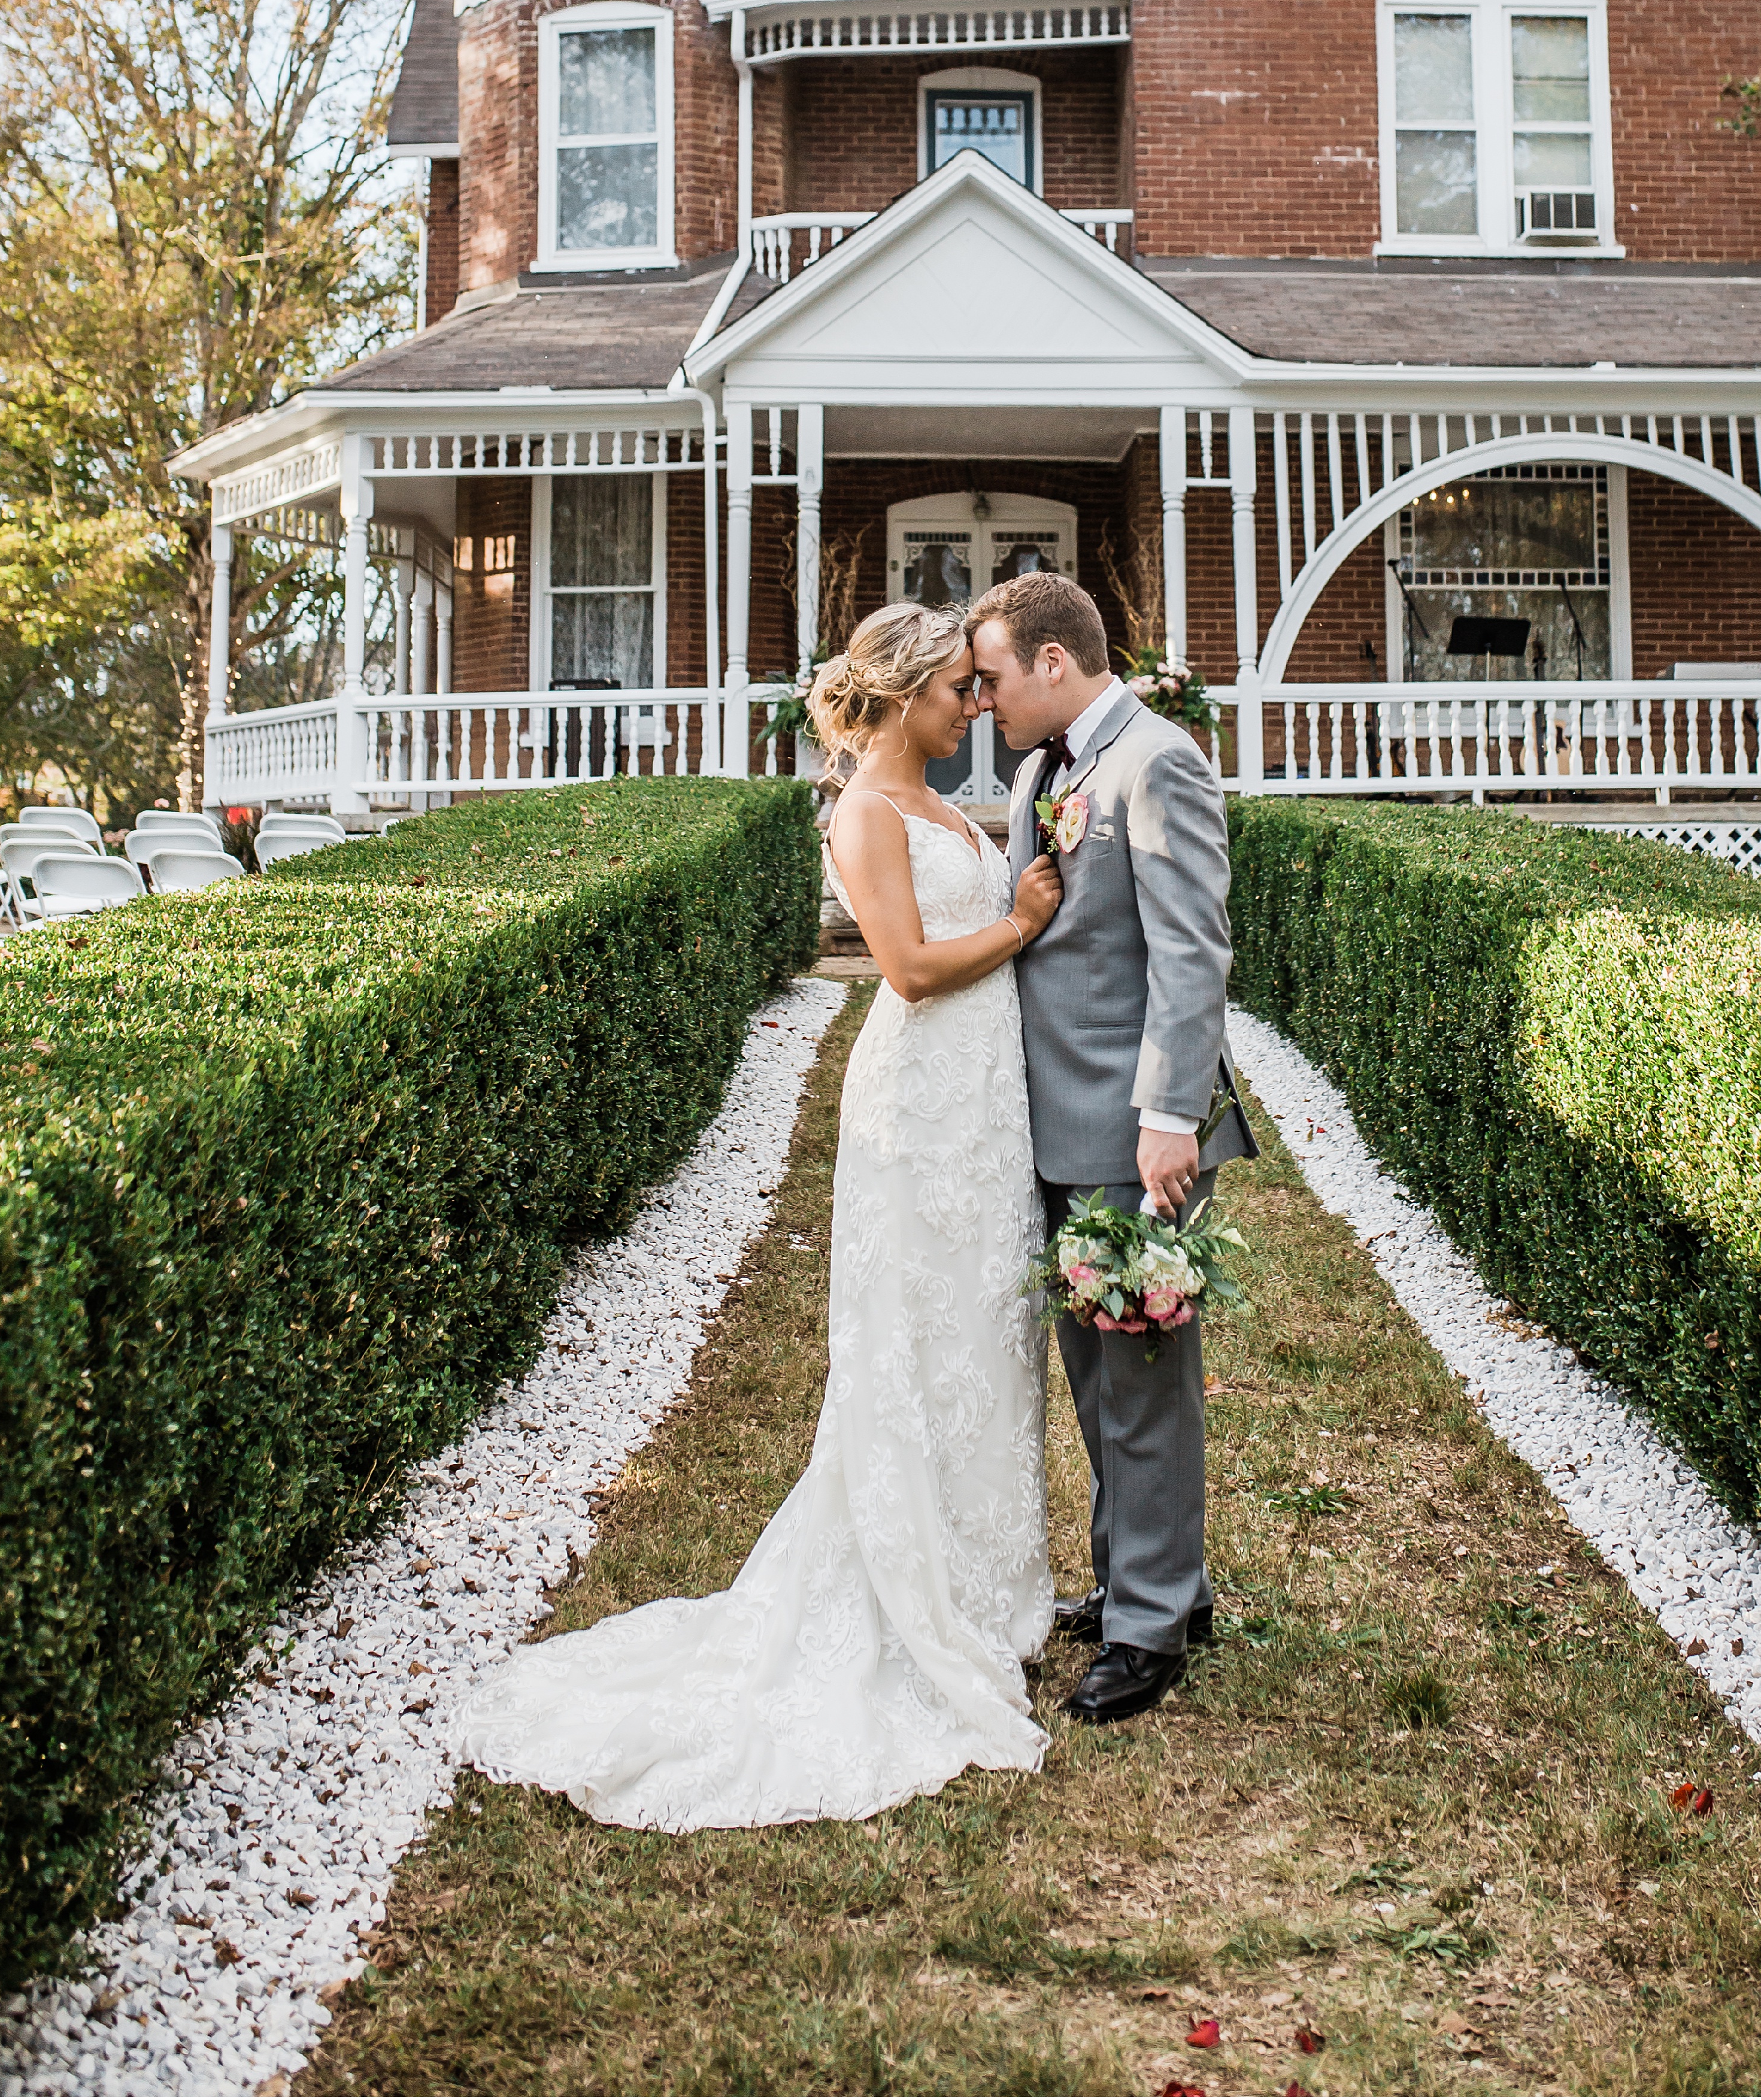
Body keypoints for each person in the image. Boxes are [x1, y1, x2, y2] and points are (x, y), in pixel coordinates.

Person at [450, 602, 1063, 1830]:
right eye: (956, 689)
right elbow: (904, 965)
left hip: (985, 1103)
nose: (974, 706)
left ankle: (993, 1591)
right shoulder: (863, 813)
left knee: (987, 1333)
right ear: (899, 697)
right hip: (920, 1097)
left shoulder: (944, 801)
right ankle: (909, 1590)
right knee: (915, 1341)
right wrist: (1021, 921)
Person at [970, 571, 1253, 1727]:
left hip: (1133, 1132)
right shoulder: (1046, 768)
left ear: (1051, 661)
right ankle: (1136, 1576)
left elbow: (1193, 953)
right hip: (1051, 1120)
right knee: (1096, 1378)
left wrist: (1170, 1117)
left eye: (991, 678)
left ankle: (1152, 1629)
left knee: (1140, 1381)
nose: (980, 699)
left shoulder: (1156, 762)